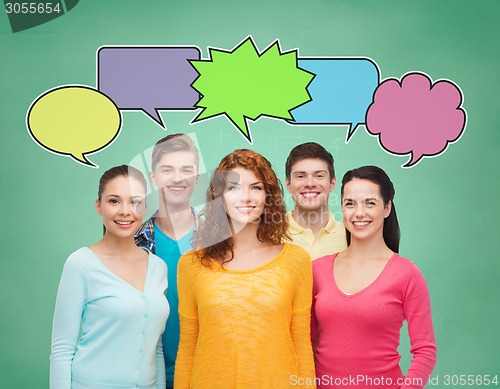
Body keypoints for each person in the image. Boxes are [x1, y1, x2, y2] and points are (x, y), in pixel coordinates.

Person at [174, 149, 316, 389]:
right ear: (219, 197)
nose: (246, 197)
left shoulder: (296, 261)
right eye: (234, 188)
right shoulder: (191, 265)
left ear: (268, 196)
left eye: (256, 187)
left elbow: (302, 346)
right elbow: (188, 348)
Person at [311, 166, 436, 389]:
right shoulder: (317, 270)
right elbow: (306, 341)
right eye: (350, 203)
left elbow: (425, 350)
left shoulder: (407, 274)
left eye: (370, 203)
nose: (359, 213)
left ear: (387, 207)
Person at [50, 165, 169, 389]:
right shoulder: (81, 264)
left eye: (134, 201)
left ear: (145, 206)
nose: (125, 211)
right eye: (114, 201)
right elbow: (61, 350)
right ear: (99, 206)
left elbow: (157, 347)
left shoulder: (158, 268)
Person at [135, 133, 200, 389]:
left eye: (186, 170)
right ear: (153, 177)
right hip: (147, 378)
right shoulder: (134, 242)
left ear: (196, 176)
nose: (177, 178)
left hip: (206, 374)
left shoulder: (219, 243)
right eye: (167, 170)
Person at [285, 142, 347, 260]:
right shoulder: (271, 236)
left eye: (319, 175)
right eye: (300, 176)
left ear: (332, 183)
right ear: (288, 184)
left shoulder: (350, 237)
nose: (310, 184)